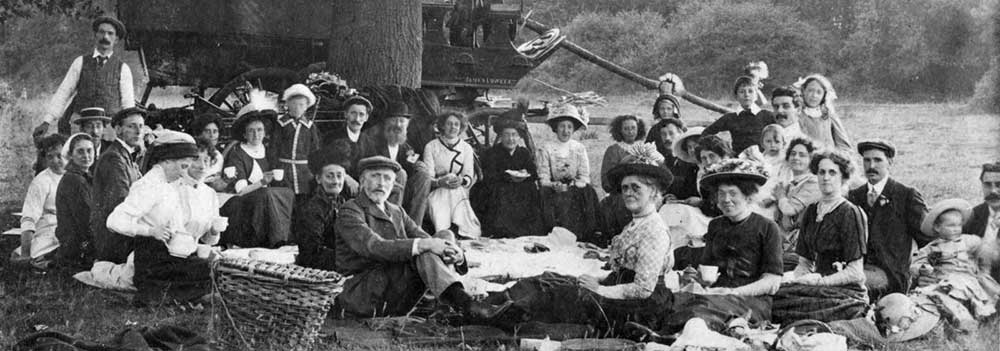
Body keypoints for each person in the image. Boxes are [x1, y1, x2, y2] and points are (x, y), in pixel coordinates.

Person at [490, 158, 676, 336]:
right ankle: (494, 300)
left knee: (564, 295)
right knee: (550, 278)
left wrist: (599, 289)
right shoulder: (636, 224)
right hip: (619, 289)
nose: (628, 193)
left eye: (636, 187)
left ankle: (498, 316)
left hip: (641, 306)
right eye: (625, 187)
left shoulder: (654, 231)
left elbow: (643, 289)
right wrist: (597, 280)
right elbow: (623, 271)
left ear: (653, 191)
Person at [332, 156, 510, 319]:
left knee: (445, 235)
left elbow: (426, 238)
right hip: (364, 292)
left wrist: (457, 253)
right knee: (425, 249)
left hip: (392, 285)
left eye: (387, 178)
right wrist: (426, 245)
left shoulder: (396, 211)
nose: (381, 183)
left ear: (393, 184)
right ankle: (464, 304)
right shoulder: (351, 210)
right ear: (362, 181)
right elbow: (375, 247)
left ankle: (452, 302)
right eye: (375, 176)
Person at [642, 159, 782, 338]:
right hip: (716, 294)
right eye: (721, 194)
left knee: (699, 309)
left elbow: (772, 282)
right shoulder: (716, 225)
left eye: (733, 193)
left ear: (748, 196)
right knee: (666, 300)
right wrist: (695, 278)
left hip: (752, 301)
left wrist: (733, 292)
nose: (726, 200)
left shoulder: (768, 227)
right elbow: (707, 272)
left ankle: (670, 339)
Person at [106, 131, 220, 305]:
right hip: (150, 259)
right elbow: (114, 221)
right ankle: (172, 295)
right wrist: (150, 231)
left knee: (212, 267)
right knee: (206, 271)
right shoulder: (149, 186)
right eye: (183, 166)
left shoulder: (168, 185)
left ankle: (186, 295)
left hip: (169, 255)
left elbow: (177, 230)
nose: (184, 173)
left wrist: (198, 248)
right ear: (166, 161)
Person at [772, 151, 869, 324]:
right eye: (821, 172)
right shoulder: (811, 211)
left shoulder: (850, 213)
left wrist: (818, 282)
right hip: (816, 285)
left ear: (843, 177)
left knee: (799, 309)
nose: (826, 178)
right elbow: (804, 265)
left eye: (832, 173)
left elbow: (855, 272)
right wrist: (795, 280)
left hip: (845, 291)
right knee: (774, 297)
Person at [847, 139, 930, 297]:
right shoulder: (854, 197)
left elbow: (928, 241)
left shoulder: (906, 196)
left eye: (878, 160)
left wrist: (922, 272)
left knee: (847, 284)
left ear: (890, 162)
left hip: (892, 277)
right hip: (857, 270)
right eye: (867, 160)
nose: (871, 166)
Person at [34, 16, 134, 138]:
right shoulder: (80, 62)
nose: (105, 37)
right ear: (95, 35)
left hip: (109, 128)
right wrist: (47, 121)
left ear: (116, 39)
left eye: (110, 33)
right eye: (101, 32)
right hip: (81, 125)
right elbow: (64, 92)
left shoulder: (123, 69)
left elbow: (128, 104)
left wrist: (129, 129)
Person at [910, 198, 999, 325]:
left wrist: (983, 266)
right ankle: (959, 319)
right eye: (951, 226)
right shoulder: (932, 247)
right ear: (937, 227)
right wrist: (922, 268)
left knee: (970, 294)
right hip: (942, 281)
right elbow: (916, 263)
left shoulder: (967, 241)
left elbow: (984, 249)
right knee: (937, 296)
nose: (956, 229)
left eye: (959, 225)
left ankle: (975, 316)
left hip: (965, 279)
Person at [219, 104, 294, 248]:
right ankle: (273, 240)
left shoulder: (269, 151)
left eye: (260, 130)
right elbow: (241, 191)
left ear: (265, 132)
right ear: (244, 134)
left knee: (287, 193)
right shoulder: (237, 154)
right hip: (243, 203)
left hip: (266, 200)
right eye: (251, 131)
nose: (256, 134)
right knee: (265, 194)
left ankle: (284, 237)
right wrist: (262, 182)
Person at [357, 102, 433, 226]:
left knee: (424, 175)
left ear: (407, 125)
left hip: (401, 189)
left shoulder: (406, 147)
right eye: (394, 120)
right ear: (386, 123)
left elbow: (412, 162)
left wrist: (419, 165)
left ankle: (414, 226)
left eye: (401, 121)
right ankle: (392, 224)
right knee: (400, 174)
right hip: (377, 186)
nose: (398, 125)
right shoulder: (373, 142)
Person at [536, 104, 602, 243]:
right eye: (562, 126)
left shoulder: (579, 148)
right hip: (553, 189)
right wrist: (554, 185)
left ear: (574, 129)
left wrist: (574, 184)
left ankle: (583, 234)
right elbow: (543, 177)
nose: (566, 131)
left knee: (588, 192)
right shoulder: (546, 148)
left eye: (569, 127)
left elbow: (584, 176)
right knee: (546, 194)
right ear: (556, 128)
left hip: (574, 188)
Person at [92, 107, 146, 264]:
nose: (138, 132)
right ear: (118, 129)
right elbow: (120, 201)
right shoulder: (113, 158)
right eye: (132, 126)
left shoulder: (125, 155)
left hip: (119, 231)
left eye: (141, 126)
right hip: (113, 238)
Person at [474, 119, 543, 238]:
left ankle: (525, 230)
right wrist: (507, 176)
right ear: (501, 137)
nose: (510, 139)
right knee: (499, 192)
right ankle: (501, 230)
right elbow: (489, 175)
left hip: (521, 186)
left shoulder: (523, 153)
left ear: (519, 137)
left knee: (530, 189)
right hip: (499, 186)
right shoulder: (492, 153)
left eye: (514, 135)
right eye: (506, 135)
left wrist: (525, 173)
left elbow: (533, 173)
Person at [293, 141, 354, 271]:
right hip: (318, 269)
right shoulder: (312, 208)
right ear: (318, 179)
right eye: (330, 176)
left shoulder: (343, 203)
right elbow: (311, 254)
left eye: (339, 176)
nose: (336, 181)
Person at [11, 134, 67, 268]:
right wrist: (25, 253)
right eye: (50, 157)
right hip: (50, 231)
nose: (55, 161)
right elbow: (29, 217)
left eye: (60, 155)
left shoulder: (76, 175)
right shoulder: (41, 181)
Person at [423, 112, 482, 238]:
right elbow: (428, 176)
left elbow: (468, 175)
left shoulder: (466, 148)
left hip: (459, 189)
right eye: (449, 124)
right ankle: (445, 230)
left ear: (460, 128)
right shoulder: (431, 146)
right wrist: (440, 182)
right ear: (442, 126)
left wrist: (461, 180)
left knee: (456, 192)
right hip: (437, 189)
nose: (453, 127)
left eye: (456, 124)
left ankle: (460, 230)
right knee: (445, 193)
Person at [768, 138, 820, 269]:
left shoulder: (813, 182)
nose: (796, 158)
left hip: (802, 247)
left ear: (811, 160)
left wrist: (780, 196)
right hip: (786, 243)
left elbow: (789, 210)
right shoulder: (790, 185)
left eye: (802, 155)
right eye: (793, 154)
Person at [700, 76, 777, 154]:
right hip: (739, 159)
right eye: (742, 92)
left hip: (763, 158)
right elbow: (706, 133)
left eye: (750, 91)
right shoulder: (730, 118)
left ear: (756, 95)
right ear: (736, 96)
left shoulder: (767, 115)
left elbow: (781, 134)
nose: (746, 95)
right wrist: (722, 148)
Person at [272, 84, 322, 204]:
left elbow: (315, 150)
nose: (297, 108)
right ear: (288, 104)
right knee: (284, 198)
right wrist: (274, 167)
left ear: (306, 107)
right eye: (294, 104)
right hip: (284, 169)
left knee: (304, 199)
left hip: (304, 171)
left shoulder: (310, 127)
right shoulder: (281, 125)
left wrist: (314, 170)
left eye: (301, 105)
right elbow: (274, 148)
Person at [600, 115, 648, 238]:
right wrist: (622, 164)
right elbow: (606, 182)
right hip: (620, 192)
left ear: (638, 129)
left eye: (633, 128)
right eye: (626, 129)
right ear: (620, 130)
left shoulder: (645, 148)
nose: (630, 132)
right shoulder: (613, 150)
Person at [54, 134, 97, 270]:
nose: (86, 156)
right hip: (77, 249)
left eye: (89, 150)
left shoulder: (84, 177)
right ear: (71, 155)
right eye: (80, 151)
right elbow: (86, 220)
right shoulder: (74, 180)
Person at [795, 74, 851, 151]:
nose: (814, 95)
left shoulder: (829, 115)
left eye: (819, 92)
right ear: (803, 91)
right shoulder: (796, 114)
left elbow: (843, 144)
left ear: (824, 95)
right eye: (810, 90)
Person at [325, 95, 376, 164]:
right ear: (346, 114)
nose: (357, 119)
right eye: (353, 113)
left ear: (366, 118)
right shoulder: (331, 138)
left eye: (361, 114)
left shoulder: (369, 143)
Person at [693, 134, 734, 218]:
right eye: (704, 158)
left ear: (722, 156)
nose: (708, 162)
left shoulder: (732, 174)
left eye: (712, 156)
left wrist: (700, 203)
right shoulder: (705, 177)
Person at [187, 113, 226, 191]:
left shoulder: (218, 156)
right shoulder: (192, 151)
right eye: (207, 131)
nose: (212, 135)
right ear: (199, 133)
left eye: (215, 131)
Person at [666, 126, 703, 206]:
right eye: (689, 147)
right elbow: (686, 194)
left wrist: (701, 202)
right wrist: (674, 197)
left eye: (696, 146)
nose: (692, 150)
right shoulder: (693, 170)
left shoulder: (715, 168)